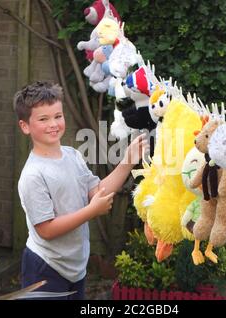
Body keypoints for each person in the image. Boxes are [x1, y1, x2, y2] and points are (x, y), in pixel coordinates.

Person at [13, 81, 148, 300]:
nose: (53, 124)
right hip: (45, 266)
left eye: (58, 116)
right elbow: (46, 230)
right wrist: (91, 211)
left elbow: (97, 192)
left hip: (75, 266)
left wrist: (127, 162)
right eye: (43, 119)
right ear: (25, 126)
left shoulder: (72, 156)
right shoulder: (33, 175)